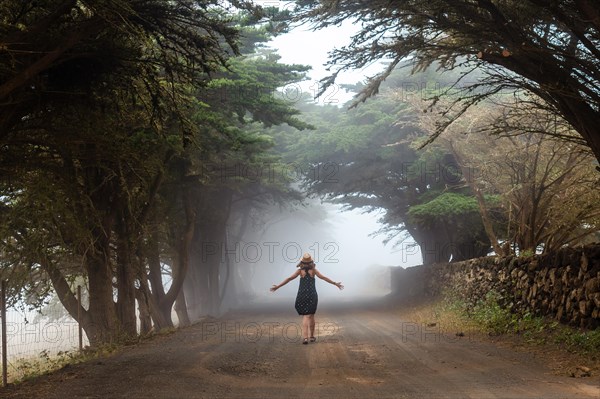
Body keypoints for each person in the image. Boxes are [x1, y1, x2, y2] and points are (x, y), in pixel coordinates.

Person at [270, 253, 344, 345]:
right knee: (311, 315)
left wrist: (278, 286)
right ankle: (310, 337)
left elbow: (289, 279)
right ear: (311, 262)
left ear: (302, 262)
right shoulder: (313, 271)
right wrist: (335, 283)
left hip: (302, 295)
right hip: (312, 295)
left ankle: (306, 338)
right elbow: (324, 278)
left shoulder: (299, 271)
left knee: (307, 316)